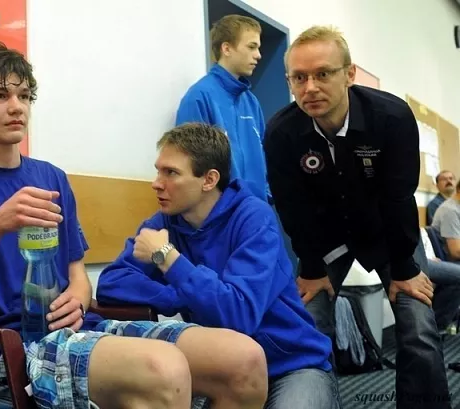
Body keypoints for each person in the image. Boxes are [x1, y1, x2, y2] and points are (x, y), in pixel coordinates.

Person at [0, 41, 269, 409]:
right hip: (13, 348)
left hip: (83, 329)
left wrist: (77, 296)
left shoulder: (51, 178)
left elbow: (78, 276)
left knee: (243, 359)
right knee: (163, 369)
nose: (16, 107)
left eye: (24, 96)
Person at [263, 25, 450, 408]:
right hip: (324, 240)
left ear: (349, 74)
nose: (310, 87)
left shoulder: (390, 117)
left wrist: (403, 268)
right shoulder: (281, 132)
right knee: (307, 327)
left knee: (418, 327)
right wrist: (312, 268)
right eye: (299, 77)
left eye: (322, 73)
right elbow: (291, 206)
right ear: (289, 82)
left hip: (387, 233)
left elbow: (399, 197)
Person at [96, 122, 340, 409]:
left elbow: (238, 315)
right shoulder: (164, 222)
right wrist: (177, 295)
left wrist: (167, 258)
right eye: (158, 170)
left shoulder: (254, 218)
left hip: (291, 366)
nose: (156, 182)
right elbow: (112, 283)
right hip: (224, 370)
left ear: (209, 180)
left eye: (171, 172)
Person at [175, 14, 268, 202]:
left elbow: (266, 154)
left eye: (258, 48)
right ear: (227, 48)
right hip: (218, 217)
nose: (258, 55)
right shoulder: (199, 97)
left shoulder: (251, 102)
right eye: (251, 47)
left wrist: (266, 195)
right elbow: (189, 167)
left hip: (256, 211)